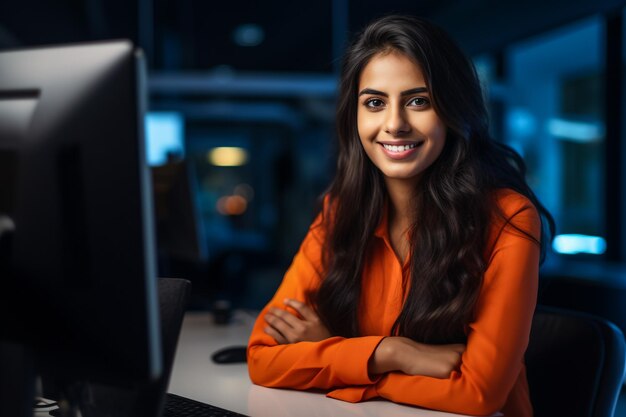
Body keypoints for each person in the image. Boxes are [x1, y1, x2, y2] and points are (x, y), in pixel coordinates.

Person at [247, 14, 554, 417]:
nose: (394, 124)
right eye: (374, 103)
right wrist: (394, 353)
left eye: (418, 101)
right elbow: (262, 358)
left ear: (453, 110)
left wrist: (335, 356)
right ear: (354, 116)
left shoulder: (508, 218)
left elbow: (478, 395)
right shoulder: (338, 213)